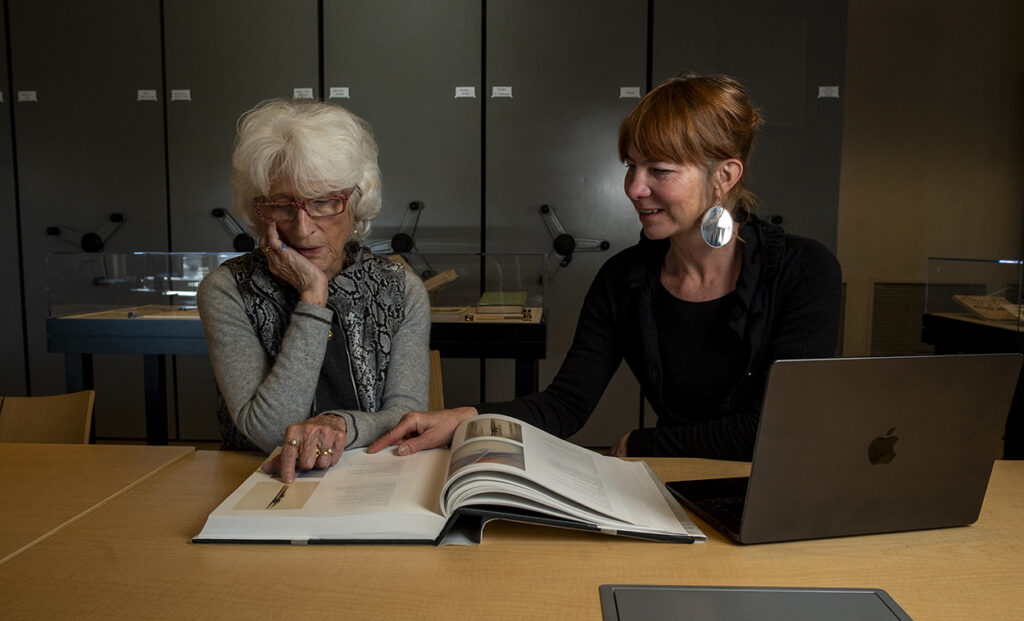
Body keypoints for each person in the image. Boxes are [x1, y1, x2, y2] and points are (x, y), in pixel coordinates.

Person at [370, 72, 841, 461]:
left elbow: (776, 427)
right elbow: (566, 404)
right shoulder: (623, 279)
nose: (634, 188)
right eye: (631, 166)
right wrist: (465, 418)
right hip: (676, 486)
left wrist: (644, 444)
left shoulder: (804, 271)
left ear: (725, 176)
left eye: (660, 170)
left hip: (776, 494)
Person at [198, 99, 430, 482]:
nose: (303, 229)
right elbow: (269, 433)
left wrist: (340, 425)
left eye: (323, 202)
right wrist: (312, 298)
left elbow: (408, 419)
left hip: (373, 484)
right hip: (261, 483)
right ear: (259, 209)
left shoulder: (399, 289)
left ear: (356, 202)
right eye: (282, 206)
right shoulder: (228, 291)